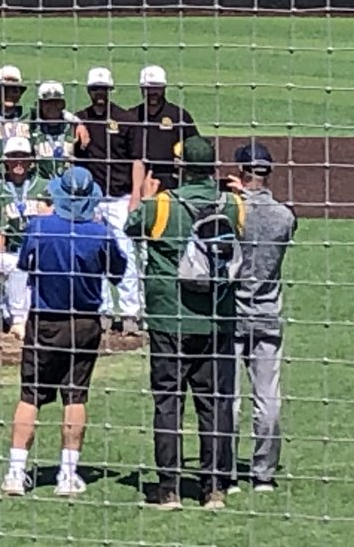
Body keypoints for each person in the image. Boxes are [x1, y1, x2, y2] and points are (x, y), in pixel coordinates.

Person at [126, 136, 244, 510]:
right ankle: (214, 489)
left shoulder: (162, 205)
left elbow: (131, 227)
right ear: (213, 167)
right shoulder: (232, 204)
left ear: (180, 167)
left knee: (168, 403)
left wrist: (145, 194)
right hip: (216, 321)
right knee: (214, 406)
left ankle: (170, 489)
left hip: (169, 320)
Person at [1, 167, 127, 498]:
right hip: (84, 322)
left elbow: (24, 265)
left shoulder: (39, 227)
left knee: (30, 395)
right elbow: (118, 271)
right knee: (75, 395)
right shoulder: (99, 234)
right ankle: (67, 474)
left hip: (44, 320)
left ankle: (16, 472)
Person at [225, 142, 295, 494]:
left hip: (232, 314)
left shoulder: (231, 210)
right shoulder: (285, 216)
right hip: (269, 314)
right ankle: (263, 473)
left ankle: (226, 471)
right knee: (268, 398)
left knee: (229, 398)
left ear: (241, 171)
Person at [73, 66, 141, 334]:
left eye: (103, 89)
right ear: (89, 91)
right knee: (94, 255)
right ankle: (100, 310)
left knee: (125, 254)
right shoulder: (80, 118)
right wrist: (75, 124)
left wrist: (136, 195)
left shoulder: (125, 119)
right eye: (95, 89)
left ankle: (129, 313)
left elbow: (137, 160)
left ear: (109, 90)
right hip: (93, 200)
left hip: (121, 197)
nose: (99, 94)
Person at [0, 136, 50, 339]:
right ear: (5, 161)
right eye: (13, 157)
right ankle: (13, 318)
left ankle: (3, 308)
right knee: (16, 267)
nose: (19, 162)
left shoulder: (45, 187)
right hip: (11, 253)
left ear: (31, 160)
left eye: (23, 157)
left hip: (42, 254)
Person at [129, 65, 199, 206]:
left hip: (172, 184)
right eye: (148, 88)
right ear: (141, 89)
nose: (153, 92)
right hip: (138, 184)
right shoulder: (132, 116)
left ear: (164, 88)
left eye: (157, 88)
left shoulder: (178, 115)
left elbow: (196, 147)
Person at [30, 81, 77, 177]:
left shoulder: (73, 129)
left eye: (57, 103)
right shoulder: (33, 128)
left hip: (68, 185)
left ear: (63, 104)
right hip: (41, 185)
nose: (52, 107)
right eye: (47, 103)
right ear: (40, 105)